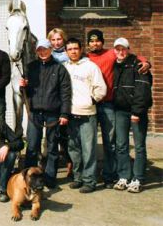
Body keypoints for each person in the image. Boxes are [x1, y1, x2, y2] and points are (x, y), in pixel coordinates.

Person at [86, 29, 150, 189]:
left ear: (102, 42)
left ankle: (115, 176)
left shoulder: (112, 55)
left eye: (98, 40)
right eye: (92, 41)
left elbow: (134, 57)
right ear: (88, 44)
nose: (95, 43)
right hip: (92, 105)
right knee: (96, 143)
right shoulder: (84, 58)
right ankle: (103, 176)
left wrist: (146, 62)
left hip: (109, 104)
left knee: (113, 143)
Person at [19, 39, 71, 189]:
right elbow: (27, 92)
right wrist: (23, 86)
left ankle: (49, 178)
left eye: (45, 49)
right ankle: (28, 177)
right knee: (32, 146)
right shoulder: (31, 67)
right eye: (40, 50)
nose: (43, 52)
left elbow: (65, 93)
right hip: (34, 112)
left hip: (53, 113)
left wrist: (64, 114)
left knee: (52, 146)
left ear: (50, 50)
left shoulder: (59, 69)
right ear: (36, 51)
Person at [64, 37, 107, 193]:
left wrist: (91, 100)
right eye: (69, 49)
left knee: (88, 149)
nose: (73, 52)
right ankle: (78, 177)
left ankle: (90, 181)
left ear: (80, 49)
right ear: (66, 52)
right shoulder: (64, 67)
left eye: (75, 48)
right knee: (73, 148)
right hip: (71, 115)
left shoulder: (91, 67)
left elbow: (101, 89)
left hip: (87, 114)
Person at [112, 38, 152, 193]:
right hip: (120, 110)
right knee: (121, 144)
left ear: (128, 49)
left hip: (136, 112)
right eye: (117, 49)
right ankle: (124, 176)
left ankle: (138, 178)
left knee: (139, 146)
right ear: (114, 50)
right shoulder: (115, 64)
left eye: (123, 49)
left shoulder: (138, 65)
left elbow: (143, 89)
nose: (120, 52)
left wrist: (137, 111)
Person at [47, 28, 72, 177]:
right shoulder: (47, 55)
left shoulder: (68, 54)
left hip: (67, 96)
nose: (56, 43)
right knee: (54, 135)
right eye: (53, 40)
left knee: (67, 134)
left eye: (59, 39)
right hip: (52, 99)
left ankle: (71, 161)